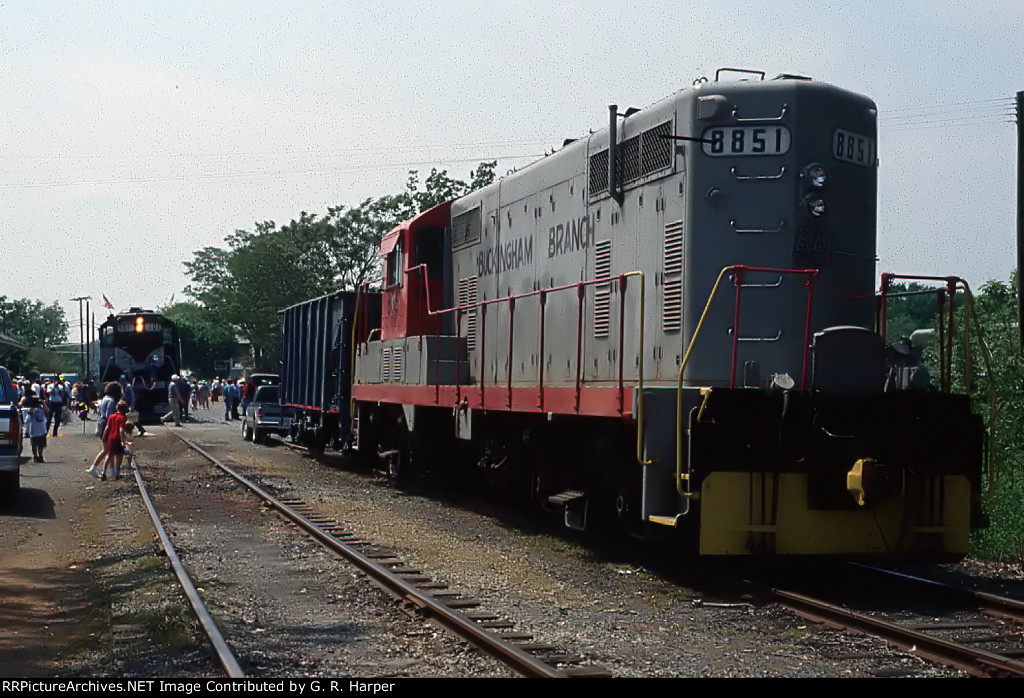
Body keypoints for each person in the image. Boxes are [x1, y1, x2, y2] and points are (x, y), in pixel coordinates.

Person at [86, 382, 123, 477]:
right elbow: (109, 416)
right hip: (106, 425)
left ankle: (113, 471)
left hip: (101, 424)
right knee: (106, 450)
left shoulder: (104, 398)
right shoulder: (111, 401)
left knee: (109, 450)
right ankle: (93, 468)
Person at [100, 400, 131, 480]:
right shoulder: (122, 418)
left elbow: (107, 428)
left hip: (110, 438)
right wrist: (122, 441)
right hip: (117, 438)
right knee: (119, 456)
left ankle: (103, 472)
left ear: (117, 408)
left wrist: (104, 436)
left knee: (109, 455)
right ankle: (117, 473)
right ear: (125, 409)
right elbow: (121, 430)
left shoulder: (111, 416)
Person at [20, 389, 48, 463]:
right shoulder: (30, 407)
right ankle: (35, 456)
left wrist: (43, 403)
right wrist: (33, 404)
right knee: (34, 444)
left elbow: (47, 411)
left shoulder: (41, 407)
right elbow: (29, 412)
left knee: (41, 444)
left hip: (42, 429)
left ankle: (40, 455)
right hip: (33, 429)